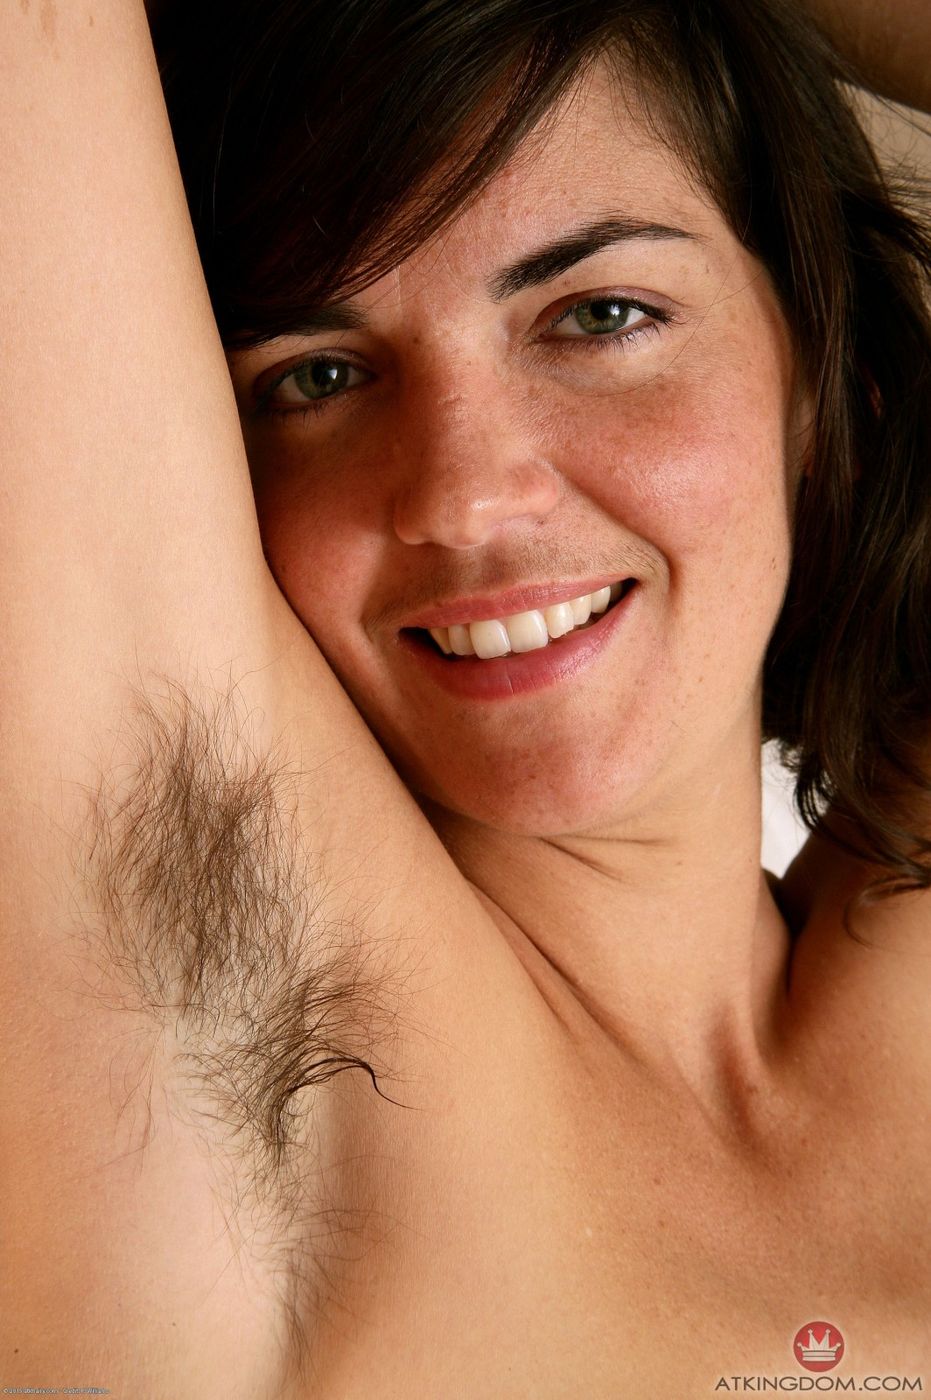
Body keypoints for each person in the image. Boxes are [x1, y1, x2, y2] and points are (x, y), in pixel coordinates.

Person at [1, 0, 929, 1395]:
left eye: (600, 315)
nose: (463, 493)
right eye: (317, 377)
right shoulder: (237, 1059)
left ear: (827, 381)